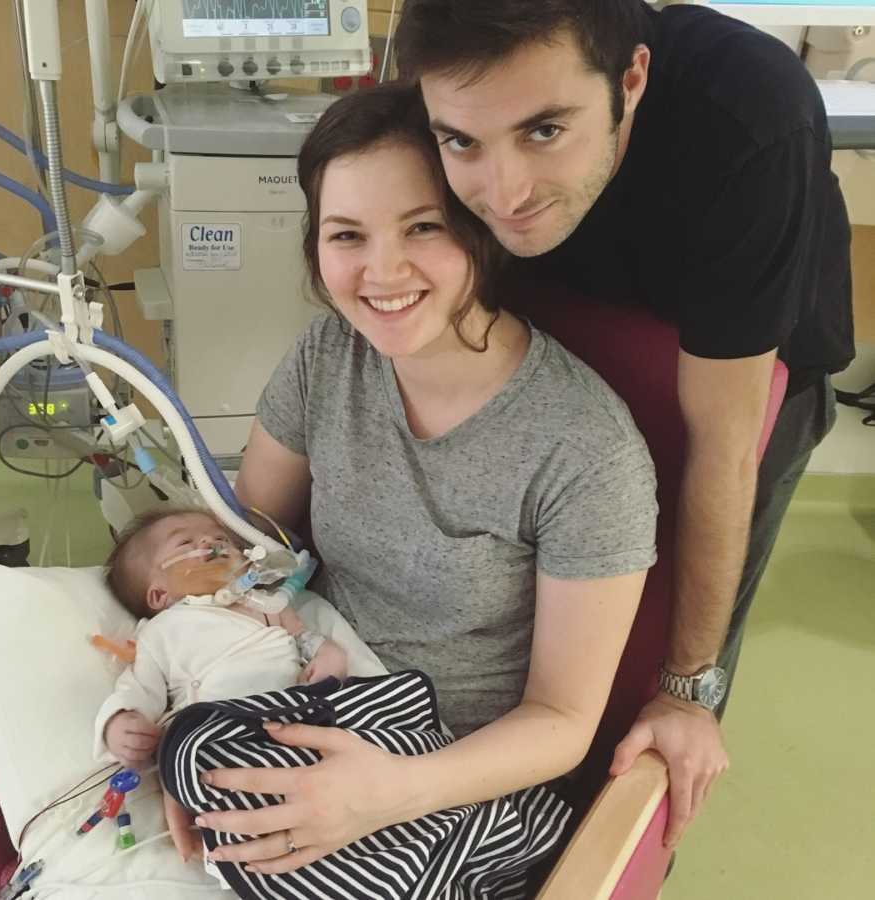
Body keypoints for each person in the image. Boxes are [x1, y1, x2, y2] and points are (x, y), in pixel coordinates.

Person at [162, 81, 658, 878]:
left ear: (479, 231)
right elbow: (252, 543)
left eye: (422, 226)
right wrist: (191, 704)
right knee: (187, 758)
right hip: (314, 694)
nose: (380, 271)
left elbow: (563, 719)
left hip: (460, 764)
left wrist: (387, 793)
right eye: (346, 235)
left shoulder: (585, 451)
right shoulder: (329, 358)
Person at [393, 0, 854, 850]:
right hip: (556, 337)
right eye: (461, 142)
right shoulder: (443, 90)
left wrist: (685, 696)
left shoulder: (750, 115)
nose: (505, 193)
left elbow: (722, 445)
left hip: (736, 370)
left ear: (631, 79)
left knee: (662, 671)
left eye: (544, 131)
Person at [95, 508, 351, 766]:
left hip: (292, 714)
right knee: (182, 761)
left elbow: (304, 639)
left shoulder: (267, 605)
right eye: (185, 542)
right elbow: (139, 685)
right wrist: (120, 722)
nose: (210, 543)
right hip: (218, 732)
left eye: (222, 539)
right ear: (159, 595)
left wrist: (329, 655)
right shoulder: (161, 630)